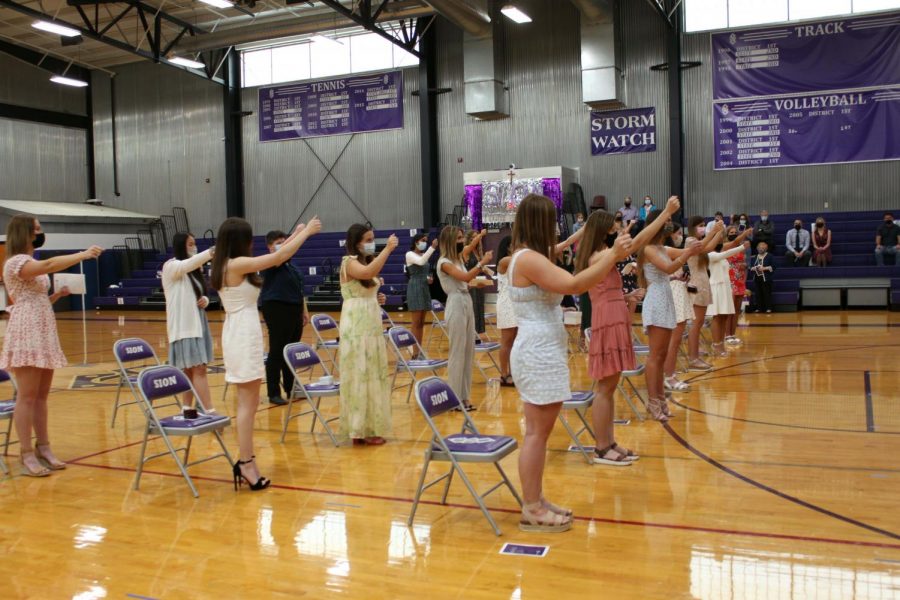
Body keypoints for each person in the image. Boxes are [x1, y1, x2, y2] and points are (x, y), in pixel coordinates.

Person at [507, 193, 633, 532]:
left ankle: (537, 498)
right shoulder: (529, 259)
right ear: (539, 222)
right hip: (536, 351)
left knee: (541, 433)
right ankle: (531, 506)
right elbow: (575, 284)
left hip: (543, 348)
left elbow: (566, 257)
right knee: (536, 434)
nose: (555, 226)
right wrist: (613, 257)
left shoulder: (533, 256)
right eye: (550, 220)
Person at [211, 216, 321, 491]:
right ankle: (246, 462)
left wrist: (296, 233)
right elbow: (279, 256)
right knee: (248, 404)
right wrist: (305, 232)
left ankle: (246, 459)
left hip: (243, 331)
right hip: (241, 334)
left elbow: (281, 254)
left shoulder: (228, 264)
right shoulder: (235, 264)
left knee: (248, 403)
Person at [579, 197, 681, 464]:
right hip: (607, 321)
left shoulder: (604, 255)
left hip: (615, 316)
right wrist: (665, 214)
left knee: (611, 386)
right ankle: (601, 447)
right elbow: (639, 242)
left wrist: (627, 296)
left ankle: (609, 442)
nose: (617, 228)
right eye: (613, 225)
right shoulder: (599, 256)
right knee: (605, 387)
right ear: (603, 230)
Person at [0, 215, 102, 476]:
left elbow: (36, 298)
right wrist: (82, 255)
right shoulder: (16, 262)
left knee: (42, 396)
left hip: (43, 328)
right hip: (26, 331)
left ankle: (43, 447)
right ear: (24, 233)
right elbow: (48, 265)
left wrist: (56, 296)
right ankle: (24, 453)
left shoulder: (31, 262)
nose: (40, 233)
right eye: (36, 230)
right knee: (27, 396)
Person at [638, 211, 702, 421]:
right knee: (655, 356)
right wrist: (686, 254)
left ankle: (660, 399)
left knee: (662, 354)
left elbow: (690, 251)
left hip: (665, 298)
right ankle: (653, 401)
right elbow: (669, 267)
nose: (668, 225)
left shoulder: (662, 248)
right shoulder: (648, 248)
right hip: (656, 299)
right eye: (664, 222)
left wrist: (711, 236)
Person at [339, 224, 395, 445]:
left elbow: (367, 285)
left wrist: (377, 298)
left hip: (371, 324)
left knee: (372, 374)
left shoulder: (367, 262)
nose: (372, 242)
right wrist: (388, 250)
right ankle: (358, 428)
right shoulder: (349, 263)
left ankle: (369, 426)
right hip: (356, 327)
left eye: (373, 238)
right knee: (359, 375)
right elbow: (366, 274)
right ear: (356, 242)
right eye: (368, 239)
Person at [436, 226, 493, 412]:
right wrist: (481, 263)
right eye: (459, 238)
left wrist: (475, 284)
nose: (462, 241)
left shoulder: (458, 259)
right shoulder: (444, 262)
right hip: (455, 303)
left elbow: (466, 282)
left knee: (469, 352)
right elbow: (466, 276)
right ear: (450, 241)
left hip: (465, 300)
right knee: (457, 352)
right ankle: (454, 398)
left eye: (462, 237)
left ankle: (465, 397)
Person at [162, 232, 215, 413]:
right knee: (197, 369)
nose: (194, 247)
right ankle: (210, 412)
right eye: (190, 244)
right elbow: (188, 264)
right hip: (184, 326)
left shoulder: (194, 271)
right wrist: (211, 252)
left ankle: (187, 409)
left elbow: (200, 293)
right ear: (180, 246)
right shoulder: (171, 266)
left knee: (192, 370)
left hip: (198, 323)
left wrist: (205, 300)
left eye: (195, 244)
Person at [260, 230, 309, 406]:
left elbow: (299, 289)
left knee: (290, 350)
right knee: (277, 350)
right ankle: (273, 391)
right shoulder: (269, 263)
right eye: (278, 242)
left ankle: (291, 388)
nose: (283, 244)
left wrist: (303, 309)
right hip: (276, 308)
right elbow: (282, 255)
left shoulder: (292, 266)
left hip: (294, 308)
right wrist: (298, 232)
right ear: (269, 246)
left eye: (284, 241)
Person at [685, 217, 725, 371]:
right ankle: (693, 358)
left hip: (703, 281)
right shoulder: (690, 240)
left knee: (699, 323)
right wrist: (713, 231)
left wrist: (718, 232)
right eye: (700, 226)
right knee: (696, 323)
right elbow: (701, 247)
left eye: (704, 226)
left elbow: (709, 248)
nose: (703, 228)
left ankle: (695, 356)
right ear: (693, 227)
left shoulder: (700, 242)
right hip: (696, 283)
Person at [708, 229, 752, 357]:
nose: (721, 241)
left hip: (725, 288)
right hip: (716, 288)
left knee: (724, 317)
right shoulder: (709, 254)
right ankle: (716, 345)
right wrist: (742, 247)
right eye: (718, 239)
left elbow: (727, 251)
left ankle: (721, 343)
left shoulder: (720, 252)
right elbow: (725, 253)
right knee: (717, 318)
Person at [662, 222, 692, 392]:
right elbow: (693, 251)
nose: (680, 236)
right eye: (678, 233)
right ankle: (669, 376)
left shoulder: (669, 250)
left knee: (676, 339)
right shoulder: (666, 249)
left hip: (679, 290)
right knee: (674, 340)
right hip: (673, 292)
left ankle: (670, 373)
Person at [405, 232, 438, 351]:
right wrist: (432, 247)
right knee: (416, 322)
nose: (425, 243)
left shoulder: (423, 254)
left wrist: (429, 279)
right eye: (423, 240)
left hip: (424, 287)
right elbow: (421, 262)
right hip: (415, 287)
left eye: (426, 241)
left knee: (422, 323)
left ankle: (419, 350)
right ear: (416, 242)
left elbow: (424, 264)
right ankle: (414, 351)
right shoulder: (409, 254)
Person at [495, 236, 517, 386]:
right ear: (508, 246)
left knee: (515, 341)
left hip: (516, 302)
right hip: (506, 303)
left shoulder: (516, 258)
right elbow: (523, 259)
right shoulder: (505, 261)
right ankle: (504, 374)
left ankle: (514, 372)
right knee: (507, 340)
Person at [464, 229, 494, 336]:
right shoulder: (466, 249)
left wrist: (493, 274)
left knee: (479, 308)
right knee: (473, 309)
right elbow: (472, 245)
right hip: (470, 283)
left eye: (477, 238)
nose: (476, 240)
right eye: (473, 238)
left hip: (478, 283)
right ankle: (473, 335)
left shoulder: (477, 252)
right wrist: (481, 234)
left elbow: (482, 267)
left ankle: (478, 335)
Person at [724, 226, 750, 346]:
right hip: (729, 279)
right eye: (731, 232)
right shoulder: (725, 246)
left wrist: (744, 266)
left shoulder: (741, 249)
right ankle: (726, 335)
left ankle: (733, 334)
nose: (733, 234)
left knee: (737, 310)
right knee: (730, 309)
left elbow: (744, 262)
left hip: (739, 279)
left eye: (735, 232)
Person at [752, 242, 775, 313]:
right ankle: (759, 308)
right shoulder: (755, 256)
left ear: (766, 248)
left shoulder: (770, 256)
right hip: (757, 278)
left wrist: (764, 268)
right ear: (757, 248)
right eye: (760, 247)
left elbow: (773, 267)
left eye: (763, 247)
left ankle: (768, 308)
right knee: (758, 293)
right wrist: (754, 268)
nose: (761, 249)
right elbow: (751, 267)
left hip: (766, 278)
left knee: (766, 293)